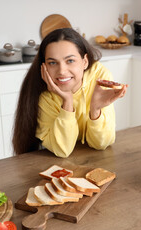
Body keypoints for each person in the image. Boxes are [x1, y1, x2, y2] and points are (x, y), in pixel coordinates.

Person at [12, 28, 128, 157]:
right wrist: (67, 101)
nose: (61, 71)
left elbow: (101, 144)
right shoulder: (44, 95)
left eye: (70, 61)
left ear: (85, 61)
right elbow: (63, 150)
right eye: (52, 63)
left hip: (93, 158)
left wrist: (95, 110)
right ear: (44, 66)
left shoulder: (100, 77)